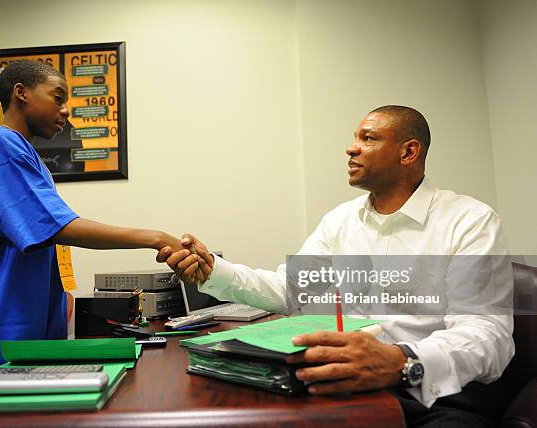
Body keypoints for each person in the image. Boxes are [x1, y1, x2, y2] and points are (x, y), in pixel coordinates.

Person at [159, 106, 514, 427]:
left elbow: (487, 336)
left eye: (367, 138)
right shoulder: (340, 221)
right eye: (354, 138)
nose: (351, 148)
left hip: (437, 392)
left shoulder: (469, 220)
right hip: (350, 386)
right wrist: (212, 271)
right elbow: (291, 290)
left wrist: (399, 360)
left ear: (408, 152)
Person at [0, 60, 206, 383]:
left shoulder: (24, 154)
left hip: (24, 319)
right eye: (58, 98)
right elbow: (56, 227)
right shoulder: (2, 148)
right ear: (21, 93)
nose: (67, 110)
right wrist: (157, 237)